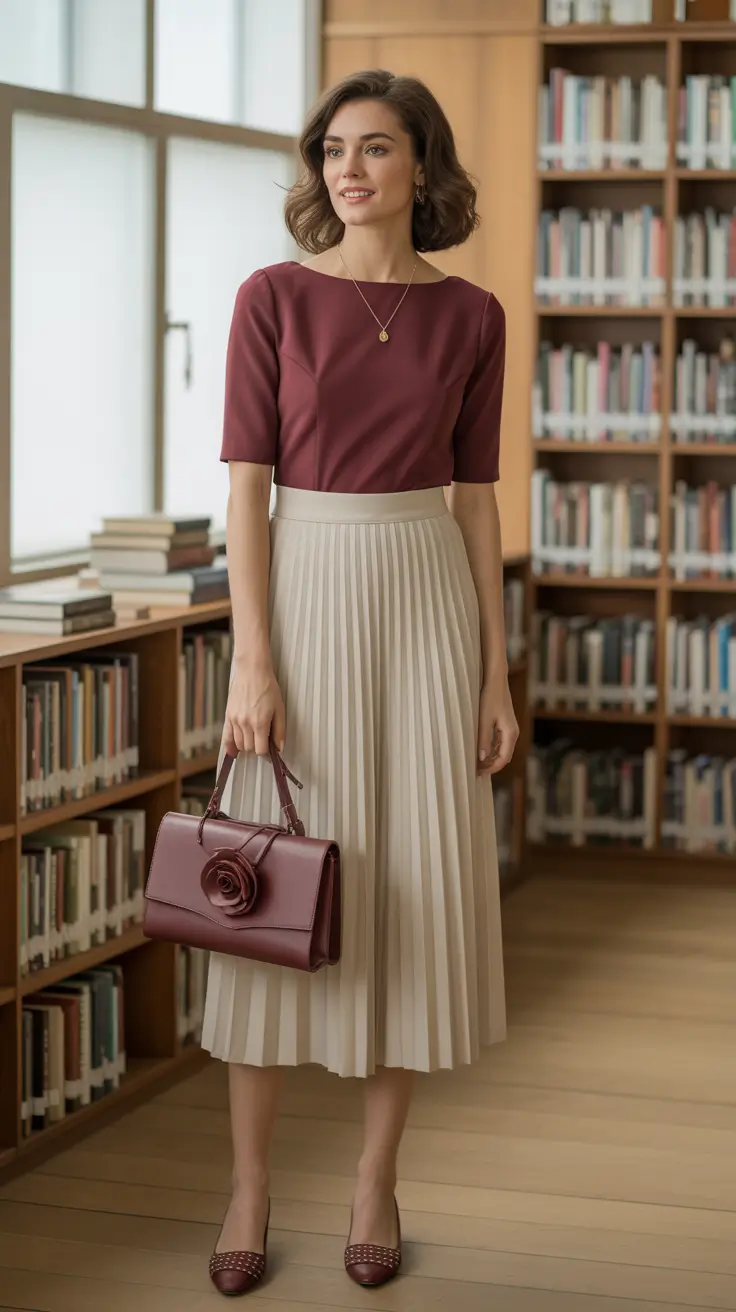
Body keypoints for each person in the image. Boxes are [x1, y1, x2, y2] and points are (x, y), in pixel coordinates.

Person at [201, 67, 518, 1298]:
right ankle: (249, 1186)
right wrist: (255, 656)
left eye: (376, 149)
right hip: (308, 587)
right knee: (273, 896)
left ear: (422, 169)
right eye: (333, 149)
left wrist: (492, 671)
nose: (348, 169)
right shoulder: (269, 298)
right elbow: (245, 489)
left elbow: (477, 499)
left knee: (407, 892)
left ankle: (378, 1182)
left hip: (426, 592)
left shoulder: (473, 317)